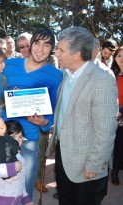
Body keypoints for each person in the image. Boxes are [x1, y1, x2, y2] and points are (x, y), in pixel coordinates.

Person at [0, 28, 63, 200]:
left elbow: (52, 113)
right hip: (2, 137)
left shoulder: (55, 76)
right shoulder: (9, 65)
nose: (40, 49)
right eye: (37, 43)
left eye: (46, 45)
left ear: (52, 49)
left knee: (25, 191)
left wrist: (44, 122)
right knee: (1, 188)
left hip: (28, 141)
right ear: (31, 44)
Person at [49, 26, 118, 205]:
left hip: (87, 164)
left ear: (77, 54)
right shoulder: (65, 74)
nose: (56, 53)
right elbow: (66, 112)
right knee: (65, 200)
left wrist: (94, 163)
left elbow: (105, 129)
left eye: (61, 50)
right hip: (63, 155)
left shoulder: (103, 80)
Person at [0, 119, 33, 205]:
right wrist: (13, 167)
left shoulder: (20, 156)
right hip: (0, 200)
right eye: (13, 137)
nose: (17, 140)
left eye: (20, 137)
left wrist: (25, 198)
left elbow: (21, 180)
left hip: (17, 199)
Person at [110, 47, 123, 186]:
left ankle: (115, 172)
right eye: (119, 55)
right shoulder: (110, 74)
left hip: (121, 117)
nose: (121, 58)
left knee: (119, 146)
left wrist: (121, 112)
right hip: (108, 114)